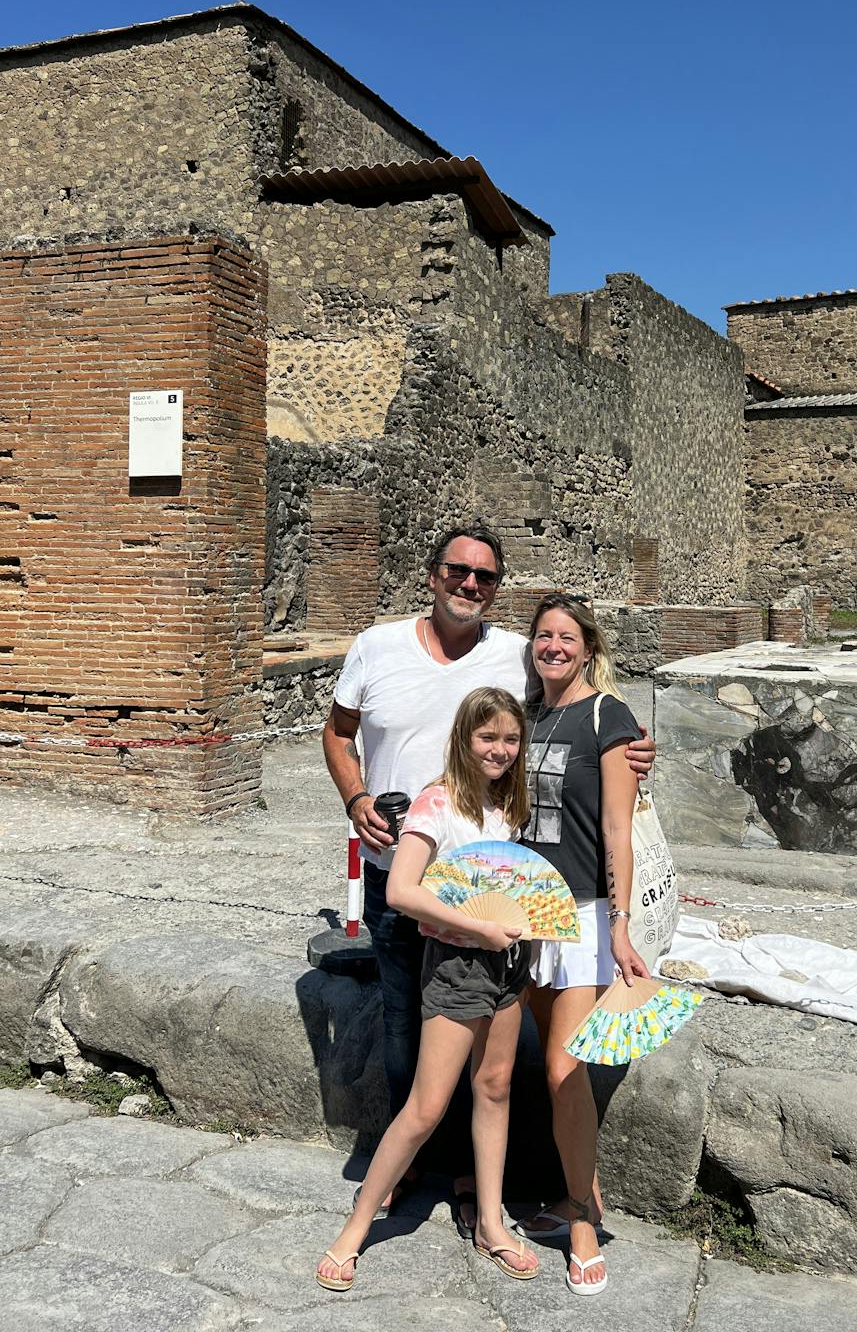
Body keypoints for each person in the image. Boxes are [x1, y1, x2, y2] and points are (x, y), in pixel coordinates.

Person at [323, 524, 655, 1231]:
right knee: (405, 1032)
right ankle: (412, 1166)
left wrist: (632, 746)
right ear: (432, 573)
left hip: (509, 905)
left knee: (504, 1065)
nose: (470, 584)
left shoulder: (518, 660)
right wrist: (356, 802)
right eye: (458, 571)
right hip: (402, 877)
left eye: (486, 577)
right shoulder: (379, 645)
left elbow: (591, 747)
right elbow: (336, 731)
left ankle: (500, 1191)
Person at [317, 687, 541, 1291]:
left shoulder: (509, 803)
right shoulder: (436, 803)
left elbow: (512, 879)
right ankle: (356, 1227)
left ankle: (492, 1223)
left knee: (494, 1088)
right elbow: (401, 892)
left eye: (511, 739)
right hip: (458, 963)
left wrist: (525, 931)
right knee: (426, 1106)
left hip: (507, 964)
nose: (499, 750)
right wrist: (479, 927)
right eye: (487, 737)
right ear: (465, 739)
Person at [517, 594, 651, 1296]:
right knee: (543, 1060)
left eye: (567, 637)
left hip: (580, 916)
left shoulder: (609, 717)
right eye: (544, 636)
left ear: (589, 647)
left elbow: (619, 831)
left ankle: (581, 1228)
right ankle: (582, 1197)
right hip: (522, 913)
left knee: (563, 1070)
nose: (555, 647)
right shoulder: (525, 712)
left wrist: (620, 923)